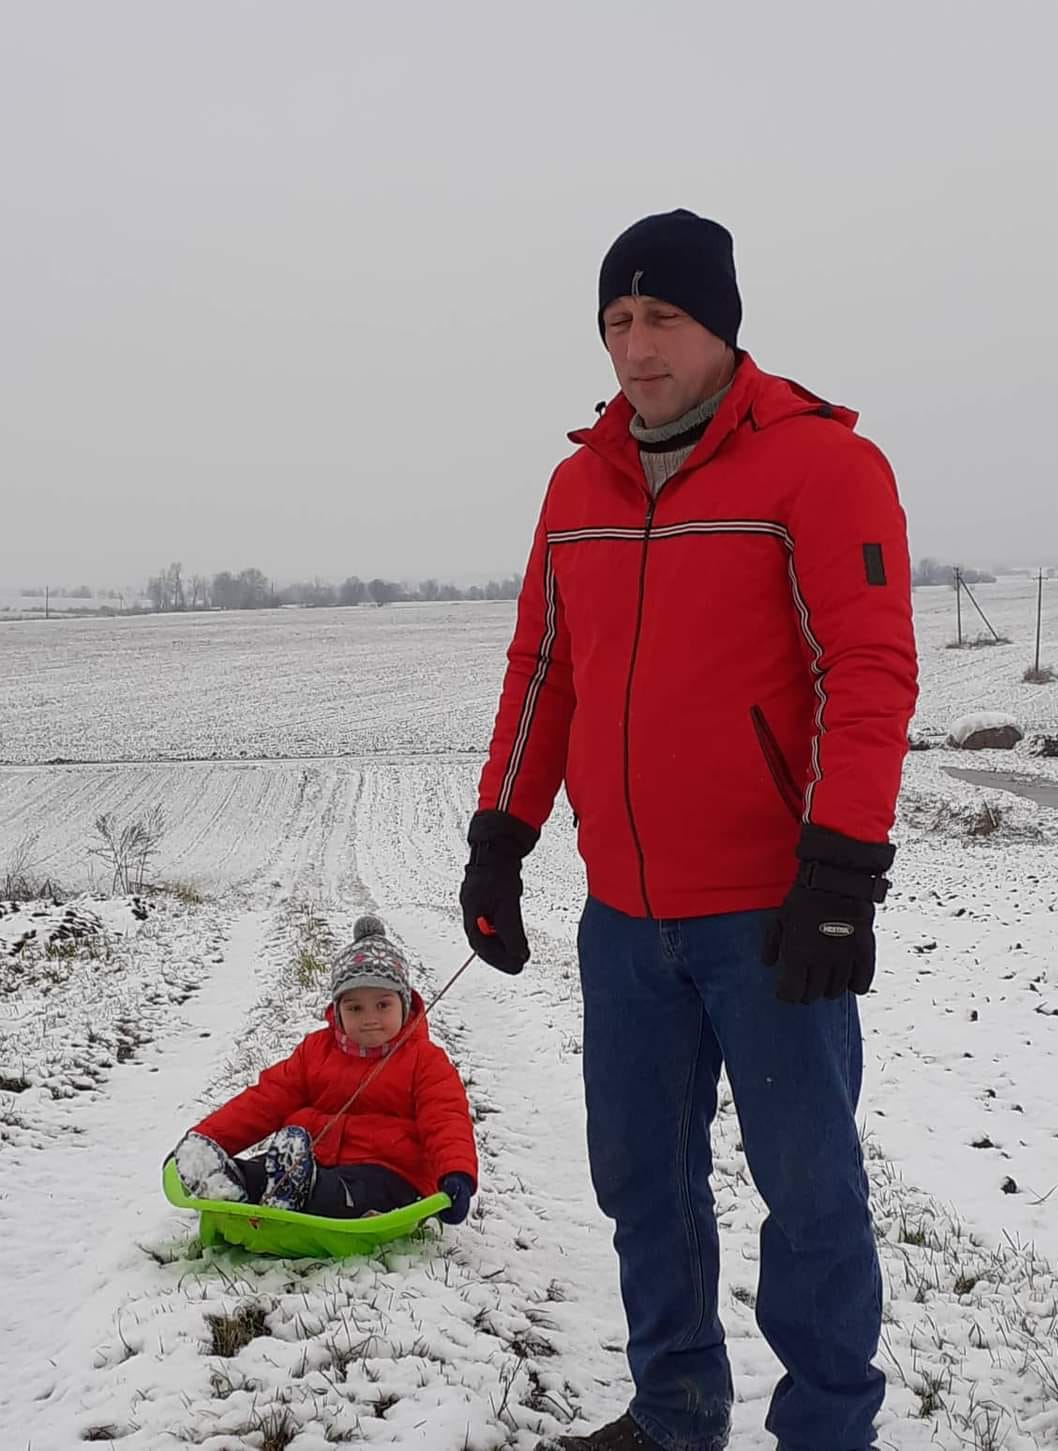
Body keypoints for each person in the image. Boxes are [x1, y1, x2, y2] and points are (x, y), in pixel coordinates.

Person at [460, 209, 918, 1451]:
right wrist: (501, 833)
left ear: (720, 324)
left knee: (810, 1193)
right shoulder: (577, 486)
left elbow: (868, 669)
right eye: (616, 320)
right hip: (624, 919)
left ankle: (828, 1429)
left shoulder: (822, 466)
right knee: (642, 1184)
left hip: (771, 912)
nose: (636, 346)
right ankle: (675, 1413)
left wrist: (841, 874)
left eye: (662, 316)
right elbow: (543, 668)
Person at [171, 916, 477, 1225]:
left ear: (404, 1004)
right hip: (309, 1160)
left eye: (383, 1005)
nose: (370, 1018)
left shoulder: (425, 1061)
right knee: (263, 1172)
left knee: (347, 1192)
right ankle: (223, 1181)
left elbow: (445, 1118)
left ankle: (300, 1195)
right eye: (355, 1008)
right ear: (338, 1011)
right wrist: (208, 1137)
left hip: (388, 1172)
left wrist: (456, 1173)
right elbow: (266, 1099)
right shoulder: (316, 1051)